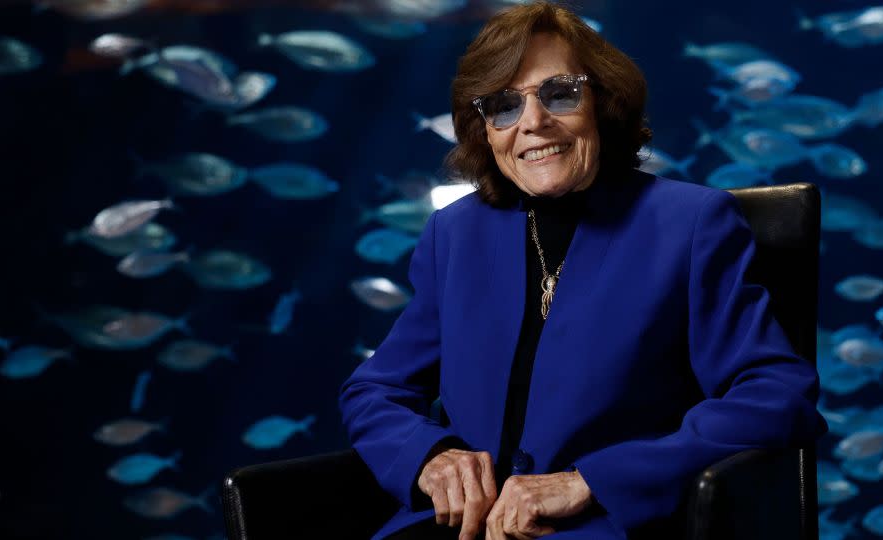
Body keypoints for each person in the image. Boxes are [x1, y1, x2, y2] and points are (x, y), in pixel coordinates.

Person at [339, 3, 827, 539]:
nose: (532, 122)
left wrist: (592, 480)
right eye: (503, 105)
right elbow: (374, 391)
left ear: (604, 103)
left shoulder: (691, 222)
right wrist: (429, 457)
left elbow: (777, 393)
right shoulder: (453, 232)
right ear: (485, 130)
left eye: (560, 93)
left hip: (601, 526)